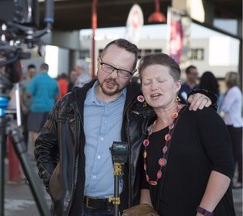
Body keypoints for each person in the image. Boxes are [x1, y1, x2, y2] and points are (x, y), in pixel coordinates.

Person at [34, 39, 214, 216]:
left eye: (122, 72)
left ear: (133, 73)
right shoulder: (70, 103)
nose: (113, 76)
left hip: (123, 208)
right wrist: (56, 184)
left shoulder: (143, 106)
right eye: (108, 66)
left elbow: (172, 106)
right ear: (98, 61)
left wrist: (200, 96)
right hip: (73, 207)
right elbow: (44, 145)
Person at [125, 53, 235, 215]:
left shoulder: (200, 114)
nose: (154, 86)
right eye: (147, 82)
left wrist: (203, 212)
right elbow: (147, 181)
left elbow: (224, 165)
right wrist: (144, 209)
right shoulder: (145, 128)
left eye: (161, 80)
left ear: (177, 86)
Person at [27, 63, 59, 159]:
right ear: (47, 69)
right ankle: (45, 154)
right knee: (45, 132)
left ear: (41, 69)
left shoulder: (36, 79)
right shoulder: (53, 81)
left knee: (34, 131)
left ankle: (37, 154)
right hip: (49, 108)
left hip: (36, 108)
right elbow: (57, 96)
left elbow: (29, 93)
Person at [220, 72, 242, 189]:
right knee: (236, 153)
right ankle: (236, 179)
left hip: (233, 124)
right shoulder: (236, 90)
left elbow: (225, 107)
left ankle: (238, 180)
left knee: (236, 154)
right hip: (235, 124)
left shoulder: (233, 91)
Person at [20, 64, 36, 145]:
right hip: (26, 108)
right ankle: (25, 148)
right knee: (25, 129)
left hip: (34, 109)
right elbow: (20, 95)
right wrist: (22, 106)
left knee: (34, 130)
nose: (32, 73)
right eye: (31, 72)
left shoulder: (36, 81)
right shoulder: (24, 82)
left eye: (34, 72)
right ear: (28, 72)